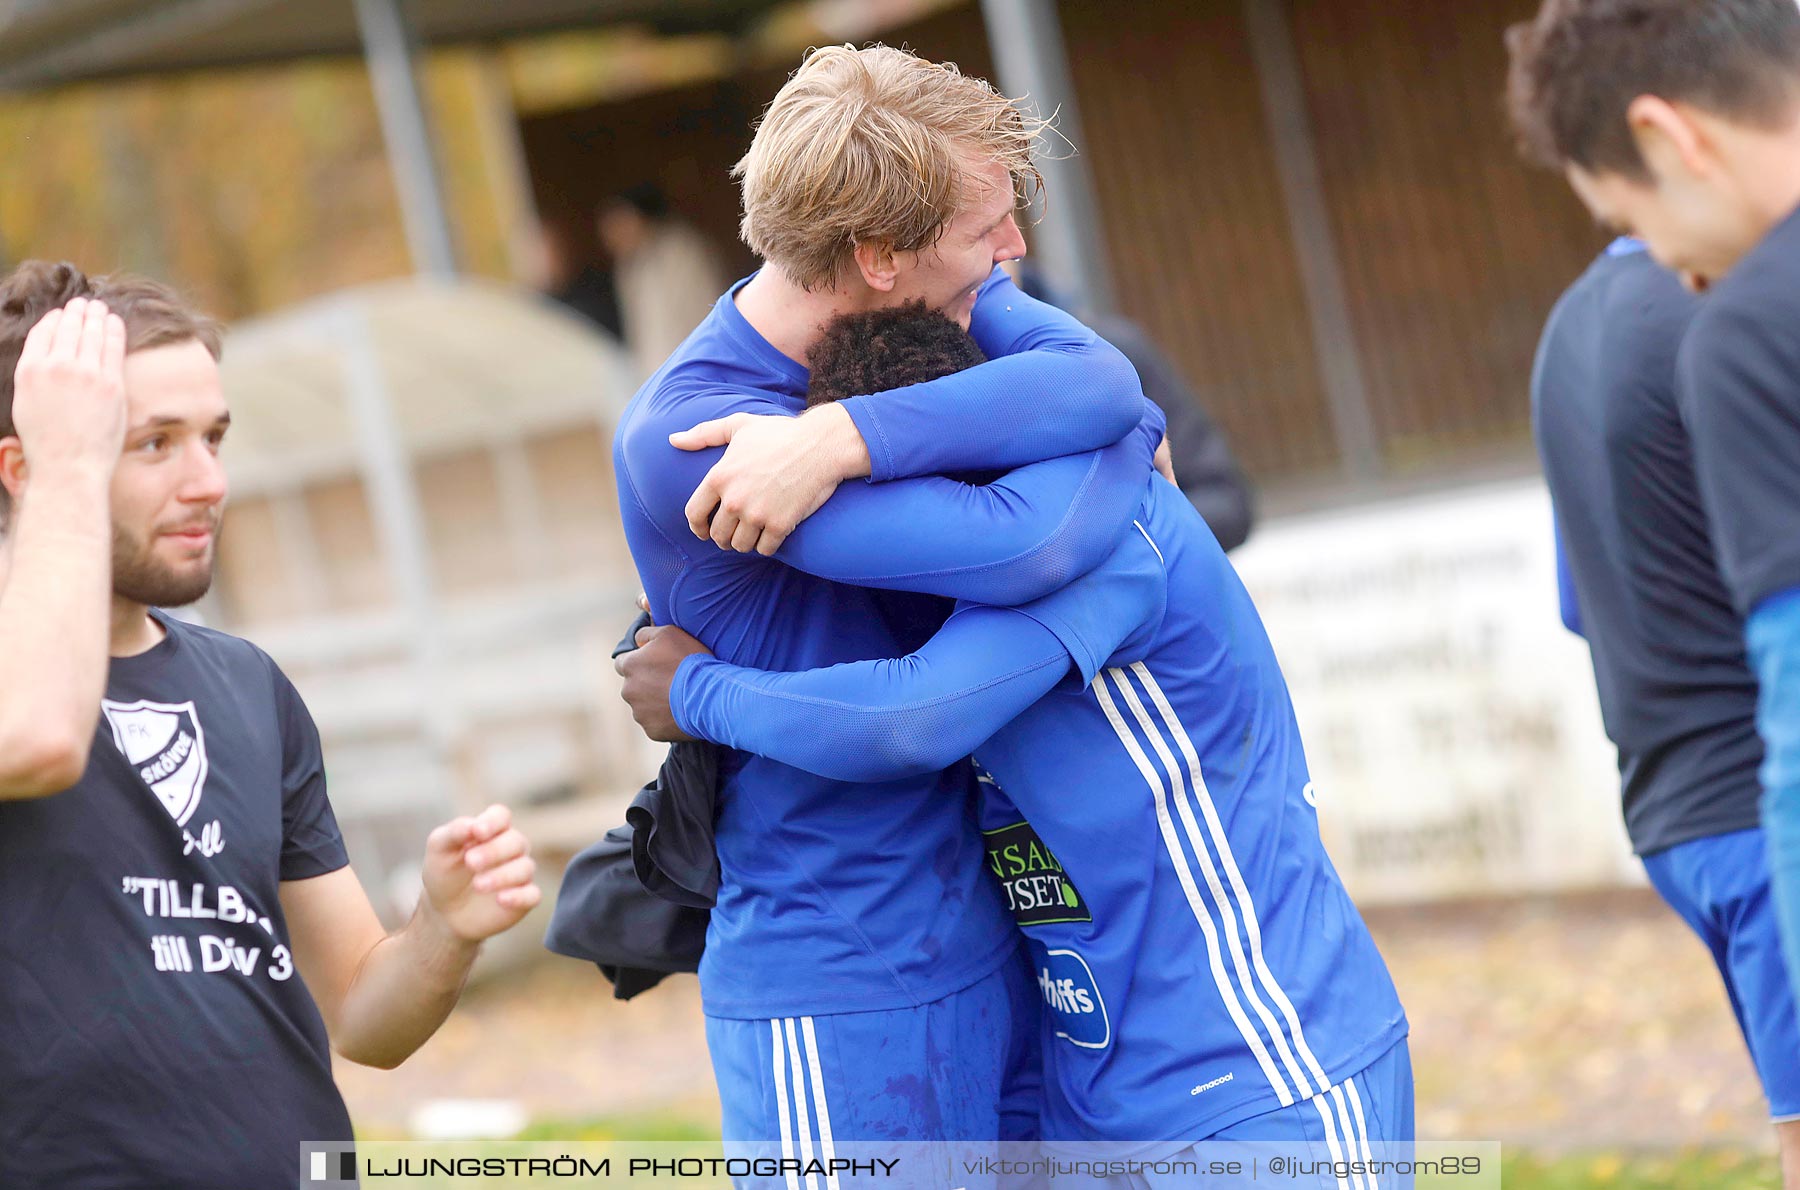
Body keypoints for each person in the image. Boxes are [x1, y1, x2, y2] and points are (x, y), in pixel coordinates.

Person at [619, 303, 1410, 1174]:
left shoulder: (1099, 543)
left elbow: (908, 719)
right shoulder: (996, 572)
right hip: (1101, 1090)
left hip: (1259, 1067)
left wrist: (696, 691)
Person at [611, 43, 1159, 1150]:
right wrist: (1122, 450)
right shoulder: (697, 438)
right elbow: (1024, 552)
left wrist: (845, 436)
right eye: (984, 230)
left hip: (1010, 937)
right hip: (841, 972)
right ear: (875, 255)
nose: (1014, 250)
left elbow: (1106, 386)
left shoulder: (950, 303)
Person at [0, 262, 542, 1189]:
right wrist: (68, 467)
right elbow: (41, 738)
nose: (209, 481)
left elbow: (366, 1022)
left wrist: (441, 932)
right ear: (28, 465)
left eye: (214, 437)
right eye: (154, 444)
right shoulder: (24, 699)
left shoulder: (247, 684)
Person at [1508, 6, 1800, 1180]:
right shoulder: (1717, 318)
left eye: (1624, 214)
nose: (1675, 260)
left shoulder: (1596, 327)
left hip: (1687, 805)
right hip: (1744, 806)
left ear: (1664, 140)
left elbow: (1585, 602)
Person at [598, 182, 729, 378]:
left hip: (694, 366)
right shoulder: (628, 266)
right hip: (654, 373)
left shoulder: (681, 251)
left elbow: (705, 311)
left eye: (619, 222)